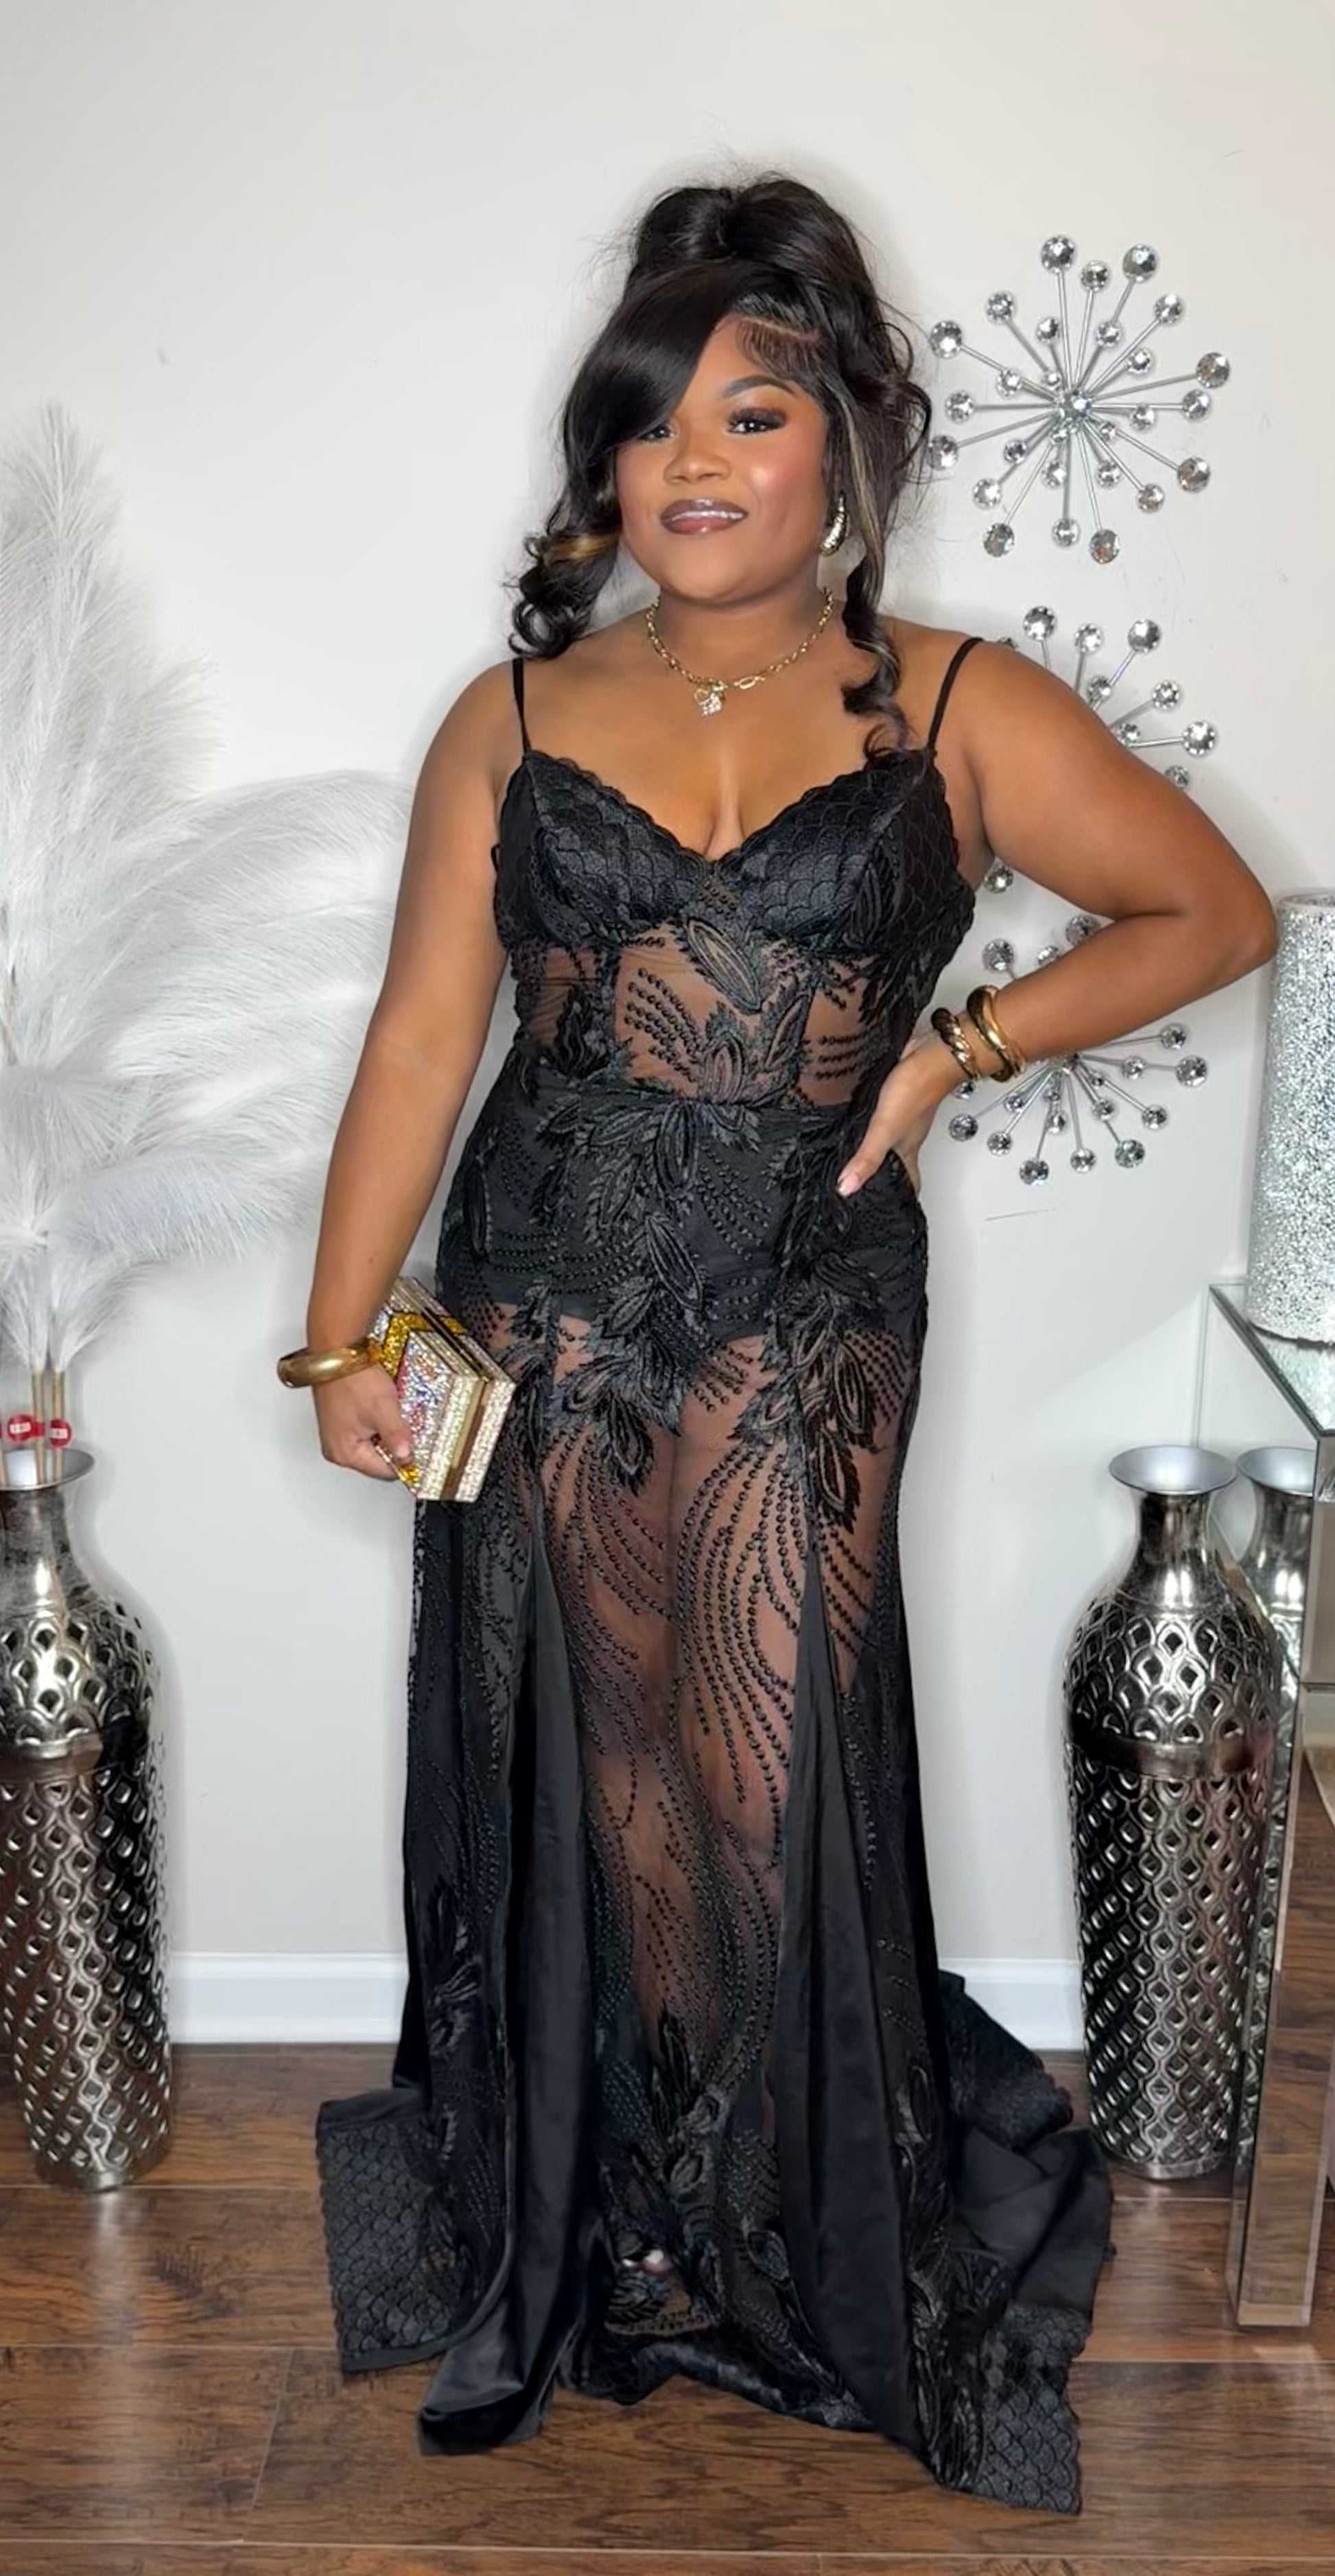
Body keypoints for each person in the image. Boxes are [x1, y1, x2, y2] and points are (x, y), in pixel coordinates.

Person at [290, 173, 1276, 2514]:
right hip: (536, 1289)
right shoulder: (509, 718)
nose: (694, 464)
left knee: (770, 1759)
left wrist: (954, 1053)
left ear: (841, 439)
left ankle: (792, 2230)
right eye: (649, 427)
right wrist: (334, 1338)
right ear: (602, 472)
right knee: (591, 1763)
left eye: (748, 412)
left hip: (806, 1304)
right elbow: (424, 1038)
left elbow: (1206, 907)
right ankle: (622, 2221)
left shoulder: (953, 699)